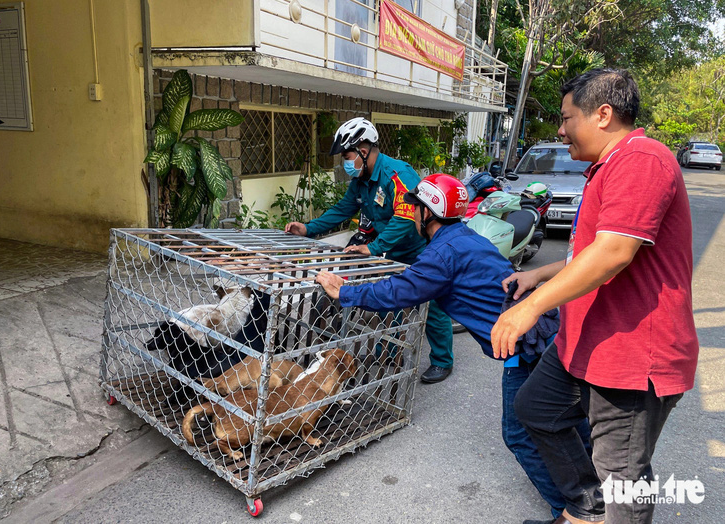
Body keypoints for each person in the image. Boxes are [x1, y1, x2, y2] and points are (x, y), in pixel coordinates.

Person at [491, 69, 699, 524]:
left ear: (603, 114)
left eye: (567, 118)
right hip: (584, 343)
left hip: (631, 357)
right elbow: (588, 254)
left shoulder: (643, 158)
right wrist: (538, 277)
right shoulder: (606, 165)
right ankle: (586, 511)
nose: (561, 129)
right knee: (535, 408)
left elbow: (613, 253)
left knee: (622, 478)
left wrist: (530, 308)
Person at [316, 174, 588, 521]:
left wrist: (345, 292)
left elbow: (397, 292)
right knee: (567, 422)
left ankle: (569, 511)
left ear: (428, 214)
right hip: (549, 332)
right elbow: (413, 281)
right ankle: (594, 502)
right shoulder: (465, 236)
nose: (413, 214)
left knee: (520, 433)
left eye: (416, 209)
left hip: (527, 346)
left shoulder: (442, 254)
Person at [285, 117, 455, 383]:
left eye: (347, 155)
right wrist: (308, 229)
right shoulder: (362, 181)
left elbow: (405, 217)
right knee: (390, 301)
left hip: (422, 249)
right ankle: (386, 350)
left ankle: (443, 361)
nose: (345, 161)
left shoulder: (397, 174)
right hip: (393, 251)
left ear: (363, 151)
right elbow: (343, 209)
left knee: (432, 304)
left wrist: (374, 247)